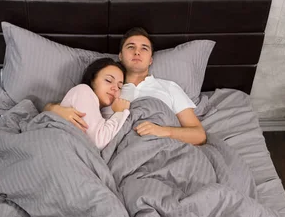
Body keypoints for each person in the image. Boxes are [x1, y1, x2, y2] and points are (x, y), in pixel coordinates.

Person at [44, 28, 206, 146]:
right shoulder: (107, 88)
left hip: (163, 147)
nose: (137, 52)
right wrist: (53, 109)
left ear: (150, 59)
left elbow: (199, 135)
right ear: (120, 56)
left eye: (144, 48)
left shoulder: (169, 87)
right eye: (131, 47)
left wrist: (165, 131)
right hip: (118, 152)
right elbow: (75, 102)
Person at [56, 58, 130, 150]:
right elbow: (98, 141)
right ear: (92, 80)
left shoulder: (100, 110)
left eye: (120, 86)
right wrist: (119, 113)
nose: (115, 88)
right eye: (108, 80)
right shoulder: (83, 90)